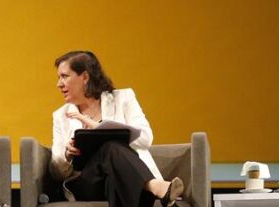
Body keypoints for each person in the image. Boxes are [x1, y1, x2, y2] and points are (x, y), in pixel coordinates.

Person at [49, 51, 185, 207]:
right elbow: (56, 173)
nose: (59, 84)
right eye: (59, 77)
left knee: (114, 164)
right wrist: (67, 155)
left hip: (116, 180)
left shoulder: (124, 99)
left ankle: (146, 186)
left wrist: (97, 127)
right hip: (88, 183)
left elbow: (146, 138)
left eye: (64, 76)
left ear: (85, 77)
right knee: (111, 147)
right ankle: (154, 187)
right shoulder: (60, 116)